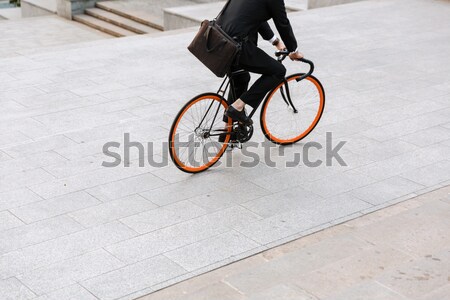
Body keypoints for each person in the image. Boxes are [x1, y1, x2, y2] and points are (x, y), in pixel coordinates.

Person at [217, 0, 304, 126]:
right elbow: (282, 23)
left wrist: (276, 42)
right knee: (278, 71)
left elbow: (256, 15)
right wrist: (293, 51)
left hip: (220, 39)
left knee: (241, 78)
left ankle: (228, 133)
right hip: (237, 46)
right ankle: (238, 107)